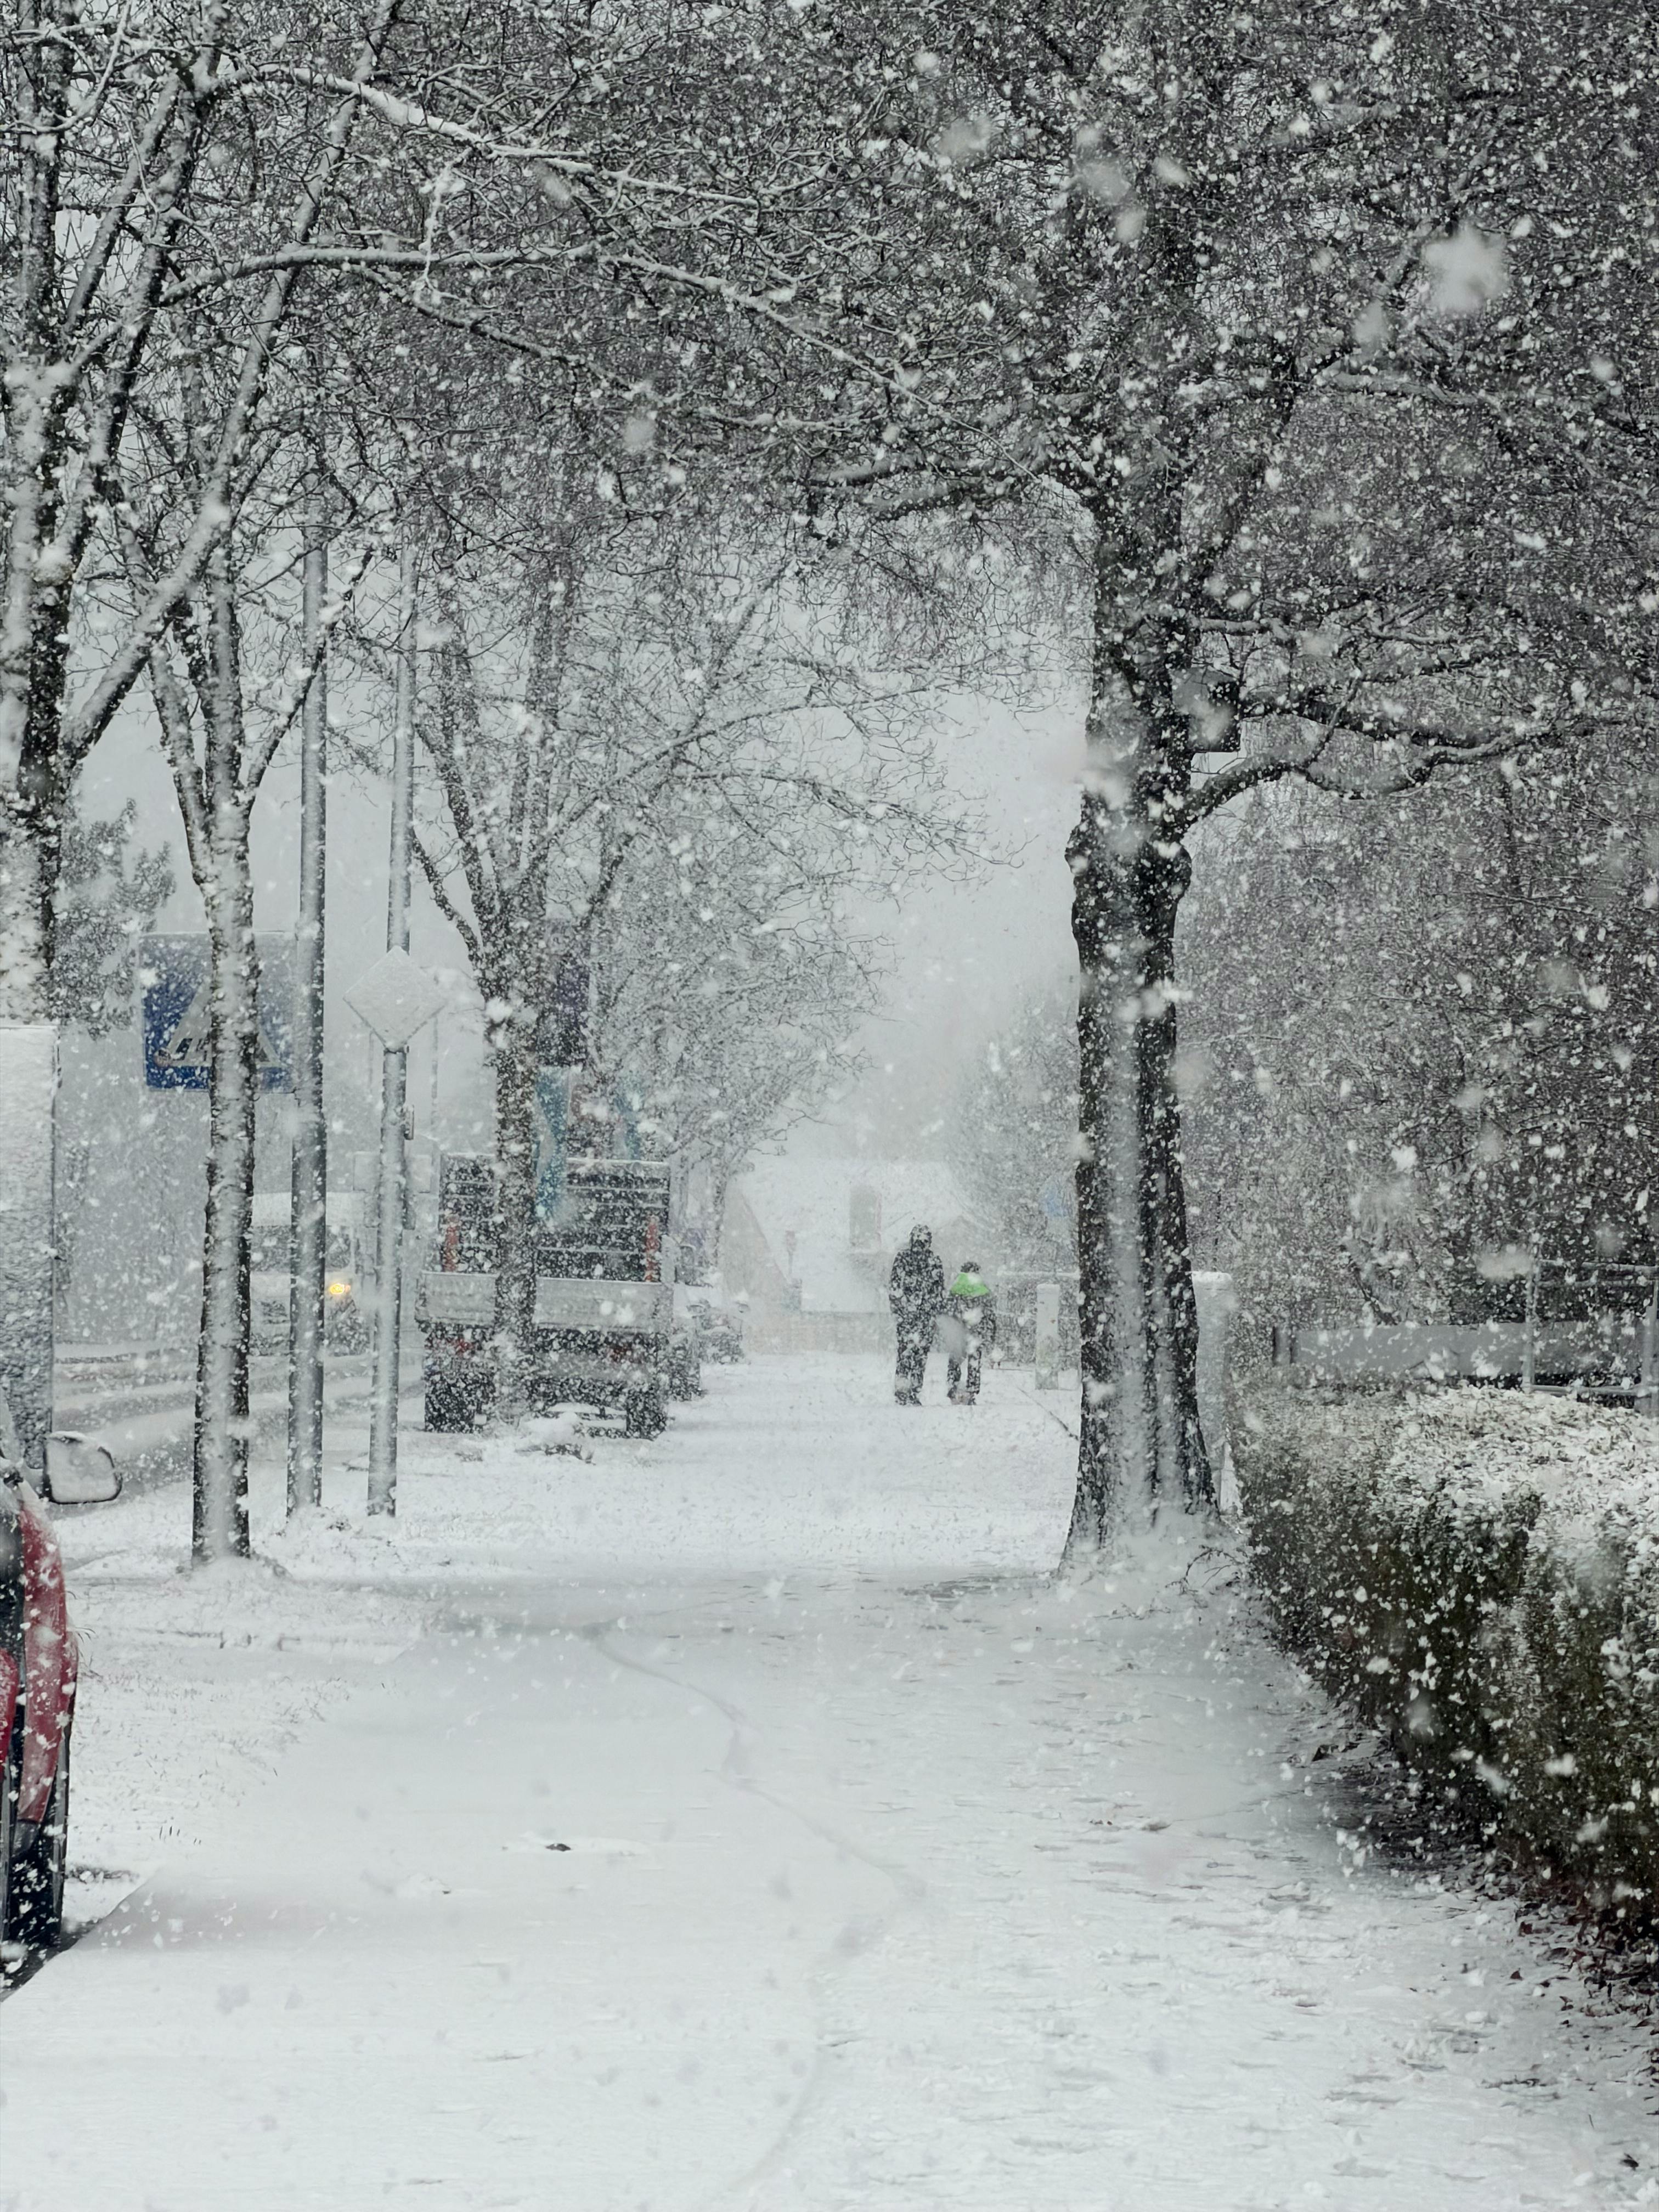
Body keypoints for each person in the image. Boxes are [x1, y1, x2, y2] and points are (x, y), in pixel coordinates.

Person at [888, 1223, 945, 1404]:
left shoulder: (904, 1258)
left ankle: (905, 1390)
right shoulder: (933, 1261)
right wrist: (935, 1313)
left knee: (908, 1353)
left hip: (912, 1315)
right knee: (918, 1354)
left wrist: (899, 1309)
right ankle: (911, 1390)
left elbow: (895, 1287)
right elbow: (939, 1292)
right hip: (921, 1316)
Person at [944, 1260, 997, 1404]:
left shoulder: (955, 1287)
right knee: (974, 1360)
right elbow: (989, 1312)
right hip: (976, 1330)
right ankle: (972, 1391)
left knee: (955, 1359)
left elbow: (947, 1308)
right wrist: (990, 1331)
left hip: (959, 1329)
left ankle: (953, 1387)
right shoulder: (983, 1288)